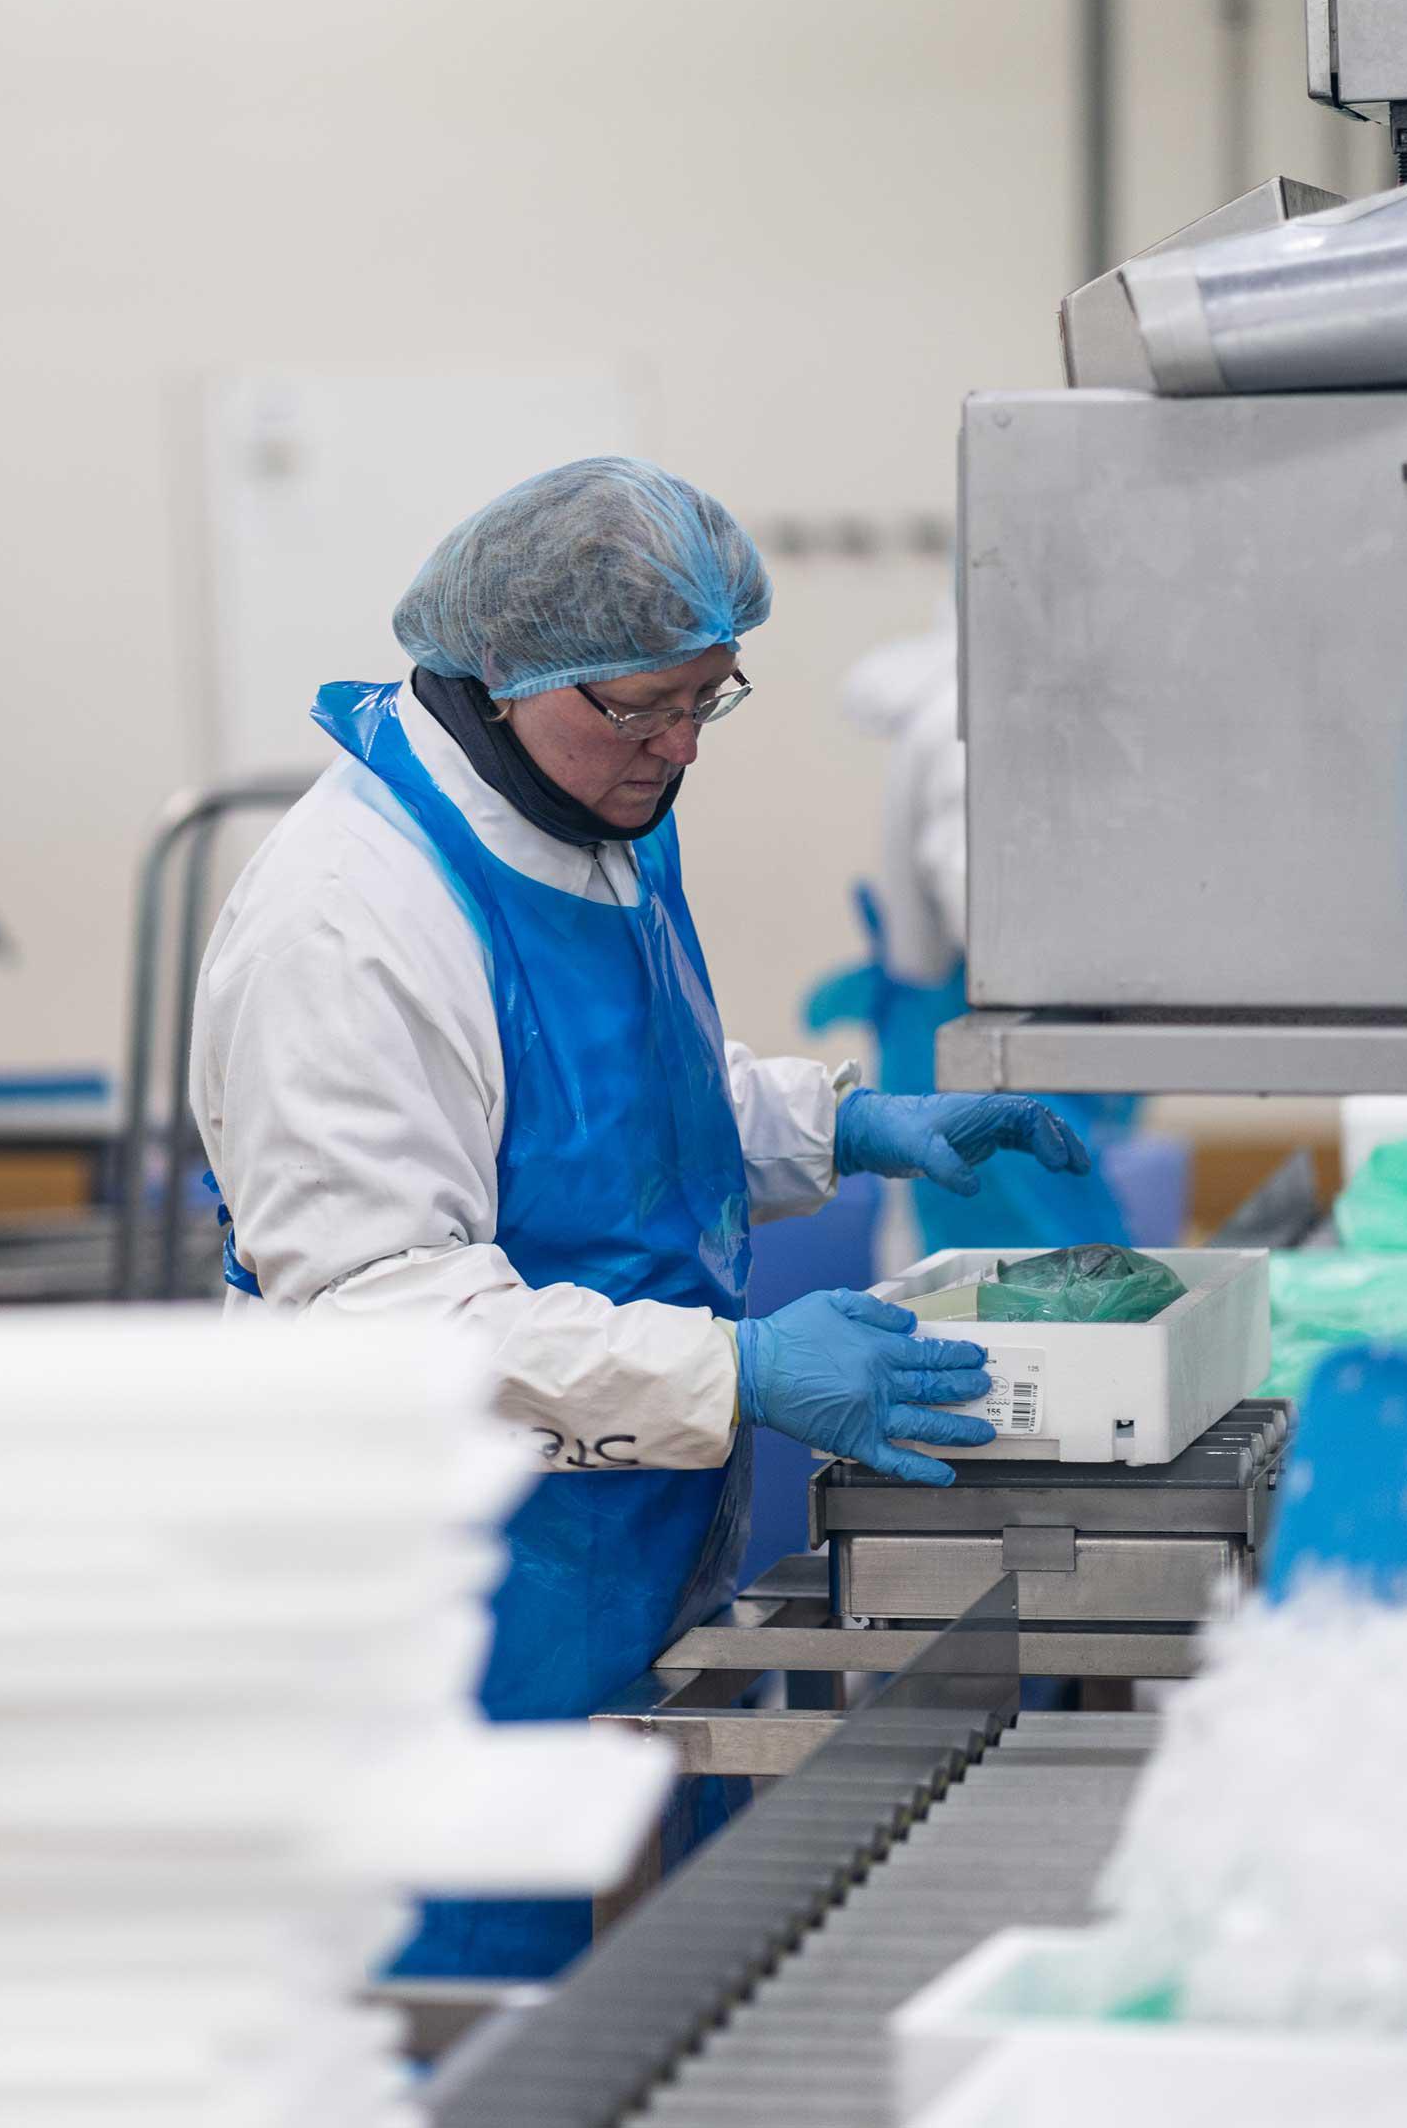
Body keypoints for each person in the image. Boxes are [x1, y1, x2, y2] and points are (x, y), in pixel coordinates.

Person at [192, 458, 1092, 1979]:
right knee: (463, 1994)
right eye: (641, 707)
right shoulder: (347, 919)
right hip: (430, 1587)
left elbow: (607, 1103)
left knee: (627, 1987)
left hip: (609, 1537)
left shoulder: (588, 804)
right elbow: (381, 1310)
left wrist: (841, 1123)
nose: (678, 745)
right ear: (506, 673)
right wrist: (735, 1369)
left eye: (706, 700)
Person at [806, 623, 1137, 1258]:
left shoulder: (1013, 713)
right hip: (983, 1070)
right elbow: (989, 919)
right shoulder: (976, 729)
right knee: (1007, 1285)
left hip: (986, 1053)